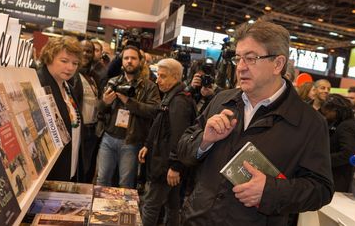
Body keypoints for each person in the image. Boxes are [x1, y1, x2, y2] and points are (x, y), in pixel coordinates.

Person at [177, 20, 333, 225]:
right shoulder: (221, 100)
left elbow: (321, 190)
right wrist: (204, 141)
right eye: (238, 58)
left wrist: (270, 191)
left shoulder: (309, 122)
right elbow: (183, 149)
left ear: (278, 64)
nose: (240, 68)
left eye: (251, 59)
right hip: (197, 219)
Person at [138, 58, 197, 226]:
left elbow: (179, 137)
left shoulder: (179, 101)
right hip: (164, 163)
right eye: (158, 75)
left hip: (166, 166)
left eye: (163, 76)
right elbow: (159, 126)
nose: (158, 80)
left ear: (175, 77)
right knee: (172, 206)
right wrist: (147, 145)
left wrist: (175, 166)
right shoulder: (171, 97)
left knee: (150, 206)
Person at [96, 45, 161, 188]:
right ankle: (100, 210)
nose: (129, 61)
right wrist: (104, 103)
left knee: (125, 184)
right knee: (102, 180)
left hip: (131, 141)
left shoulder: (149, 86)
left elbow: (153, 111)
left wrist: (128, 101)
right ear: (122, 61)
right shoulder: (112, 82)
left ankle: (122, 211)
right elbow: (99, 111)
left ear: (140, 61)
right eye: (126, 58)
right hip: (108, 138)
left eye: (133, 58)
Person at [36, 36, 82, 182]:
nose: (70, 67)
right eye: (64, 61)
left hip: (69, 164)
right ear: (49, 57)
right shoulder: (38, 85)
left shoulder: (67, 86)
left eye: (75, 63)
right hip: (50, 172)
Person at [69, 39, 101, 183]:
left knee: (88, 169)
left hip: (92, 130)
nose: (86, 54)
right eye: (83, 50)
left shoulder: (94, 77)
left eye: (90, 51)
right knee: (78, 169)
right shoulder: (72, 75)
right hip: (78, 130)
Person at [319, 94, 355, 192]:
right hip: (335, 174)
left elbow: (348, 154)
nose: (325, 114)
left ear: (336, 110)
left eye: (327, 111)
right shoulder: (339, 122)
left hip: (339, 177)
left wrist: (323, 160)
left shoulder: (346, 126)